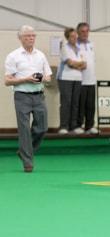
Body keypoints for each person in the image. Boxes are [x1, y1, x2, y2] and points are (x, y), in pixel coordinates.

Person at [4, 25, 52, 173]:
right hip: (21, 96)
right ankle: (28, 162)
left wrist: (42, 79)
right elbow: (7, 80)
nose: (31, 38)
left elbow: (49, 78)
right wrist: (26, 79)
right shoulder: (13, 56)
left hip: (39, 96)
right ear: (20, 38)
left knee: (42, 128)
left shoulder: (41, 55)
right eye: (28, 36)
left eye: (33, 35)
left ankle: (25, 151)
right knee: (24, 130)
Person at [57, 27, 86, 135]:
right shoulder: (64, 47)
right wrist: (79, 63)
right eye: (72, 36)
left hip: (78, 78)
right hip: (65, 78)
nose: (75, 38)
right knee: (66, 102)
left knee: (75, 103)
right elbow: (70, 63)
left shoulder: (80, 48)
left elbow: (85, 65)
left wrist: (76, 64)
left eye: (75, 36)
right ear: (67, 38)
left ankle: (74, 126)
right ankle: (63, 126)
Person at [76, 22, 98, 134]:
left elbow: (93, 61)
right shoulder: (75, 45)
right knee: (80, 105)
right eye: (82, 31)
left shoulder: (92, 45)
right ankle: (78, 125)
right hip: (80, 81)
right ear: (78, 33)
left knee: (90, 105)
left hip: (91, 80)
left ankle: (90, 126)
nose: (85, 34)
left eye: (86, 31)